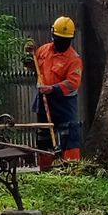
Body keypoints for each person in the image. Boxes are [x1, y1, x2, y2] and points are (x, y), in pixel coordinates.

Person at [25, 16, 83, 169]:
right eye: (59, 39)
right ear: (53, 35)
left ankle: (72, 169)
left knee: (69, 136)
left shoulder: (74, 59)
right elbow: (34, 67)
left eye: (65, 40)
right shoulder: (43, 51)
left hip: (64, 103)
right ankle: (45, 170)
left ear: (71, 39)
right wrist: (29, 56)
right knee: (44, 138)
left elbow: (73, 83)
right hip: (44, 101)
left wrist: (53, 88)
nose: (61, 43)